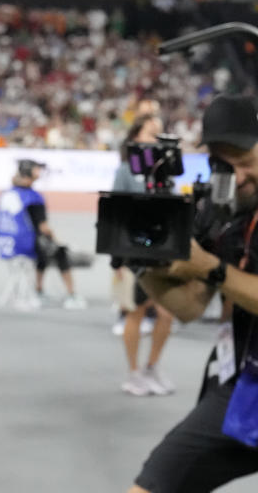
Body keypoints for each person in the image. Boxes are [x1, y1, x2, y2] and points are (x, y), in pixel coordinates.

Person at [130, 94, 258, 493]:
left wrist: (210, 267)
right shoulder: (226, 211)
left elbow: (211, 276)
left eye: (246, 162)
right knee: (156, 482)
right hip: (246, 385)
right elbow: (189, 307)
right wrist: (144, 265)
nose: (236, 177)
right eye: (224, 164)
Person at [111, 114, 176, 397]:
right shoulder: (125, 170)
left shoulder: (165, 171)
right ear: (135, 137)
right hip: (133, 250)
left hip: (161, 250)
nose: (156, 140)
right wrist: (118, 257)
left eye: (160, 134)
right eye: (151, 134)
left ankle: (152, 367)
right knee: (135, 312)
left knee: (166, 312)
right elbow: (116, 211)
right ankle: (133, 373)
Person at [0, 160, 86, 310]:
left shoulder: (8, 193)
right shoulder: (34, 197)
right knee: (60, 252)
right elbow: (43, 227)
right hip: (26, 245)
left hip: (6, 243)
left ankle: (39, 289)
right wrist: (57, 241)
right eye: (37, 170)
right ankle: (71, 294)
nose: (39, 173)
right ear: (29, 172)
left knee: (43, 252)